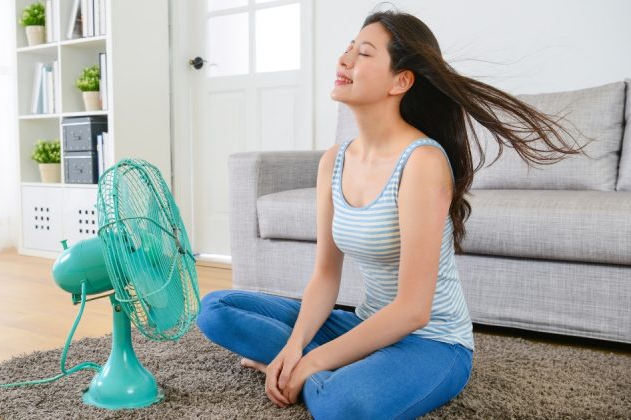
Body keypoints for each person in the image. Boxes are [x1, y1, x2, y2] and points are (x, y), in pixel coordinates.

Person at [196, 6, 585, 419]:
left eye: (363, 54)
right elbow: (326, 276)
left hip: (431, 342)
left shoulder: (422, 162)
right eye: (347, 49)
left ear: (401, 80)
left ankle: (313, 373)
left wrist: (310, 362)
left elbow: (414, 309)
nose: (343, 60)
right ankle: (321, 363)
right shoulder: (334, 161)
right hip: (365, 325)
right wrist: (294, 347)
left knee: (341, 406)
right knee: (215, 311)